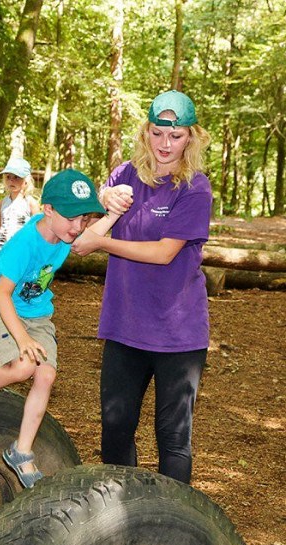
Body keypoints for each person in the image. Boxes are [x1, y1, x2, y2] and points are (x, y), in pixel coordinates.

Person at [71, 90, 212, 484]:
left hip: (177, 334)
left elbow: (165, 252)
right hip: (125, 325)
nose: (165, 145)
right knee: (115, 428)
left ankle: (172, 527)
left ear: (191, 138)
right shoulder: (124, 176)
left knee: (172, 436)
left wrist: (102, 242)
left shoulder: (194, 189)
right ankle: (121, 517)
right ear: (145, 132)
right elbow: (84, 233)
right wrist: (104, 198)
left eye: (177, 136)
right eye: (157, 133)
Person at [0, 169, 114, 488]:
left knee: (46, 374)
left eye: (84, 219)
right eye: (72, 219)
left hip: (37, 313)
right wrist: (22, 338)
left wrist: (114, 210)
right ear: (48, 210)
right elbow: (1, 294)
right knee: (24, 365)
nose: (78, 226)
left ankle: (21, 451)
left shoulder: (68, 232)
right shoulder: (24, 244)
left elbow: (93, 234)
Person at [0, 157, 39, 261]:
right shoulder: (1, 204)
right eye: (8, 177)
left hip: (22, 252)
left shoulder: (31, 203)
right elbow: (1, 229)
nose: (11, 180)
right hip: (1, 252)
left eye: (17, 177)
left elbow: (37, 231)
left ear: (26, 181)